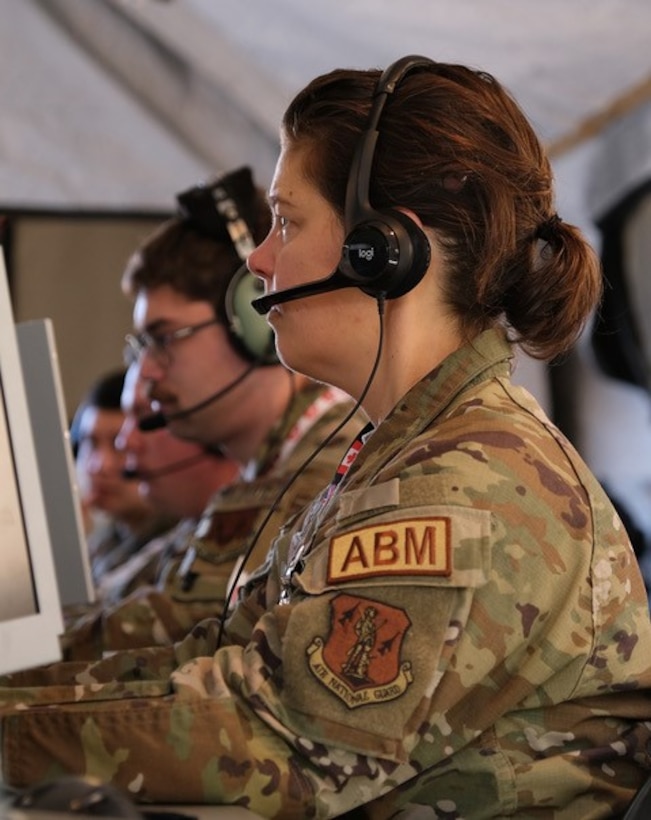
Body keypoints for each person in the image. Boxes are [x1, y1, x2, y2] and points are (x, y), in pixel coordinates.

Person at [1, 57, 650, 819]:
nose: (258, 262)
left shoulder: (470, 485)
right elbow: (213, 661)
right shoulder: (402, 456)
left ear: (380, 251)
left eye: (286, 221)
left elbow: (269, 739)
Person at [58, 164, 365, 660]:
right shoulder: (268, 470)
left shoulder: (325, 468)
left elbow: (180, 630)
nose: (148, 375)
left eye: (163, 339)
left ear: (253, 322)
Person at [70, 367, 175, 588]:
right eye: (91, 443)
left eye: (119, 444)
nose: (101, 466)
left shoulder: (177, 549)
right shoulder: (103, 542)